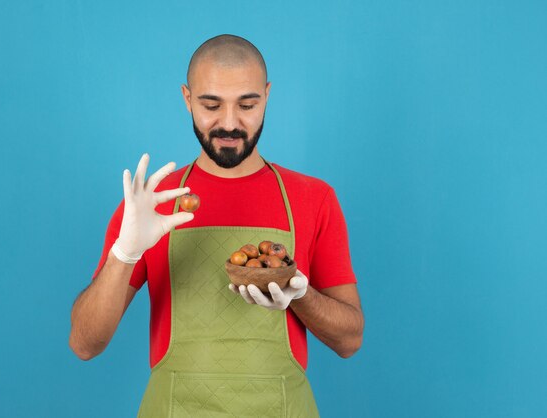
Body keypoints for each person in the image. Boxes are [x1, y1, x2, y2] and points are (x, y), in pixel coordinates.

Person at [69, 34, 364, 417]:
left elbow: (350, 340)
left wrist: (299, 296)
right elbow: (84, 344)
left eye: (247, 104)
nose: (229, 123)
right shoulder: (152, 203)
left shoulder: (313, 198)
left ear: (267, 97)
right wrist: (125, 252)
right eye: (211, 104)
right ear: (187, 99)